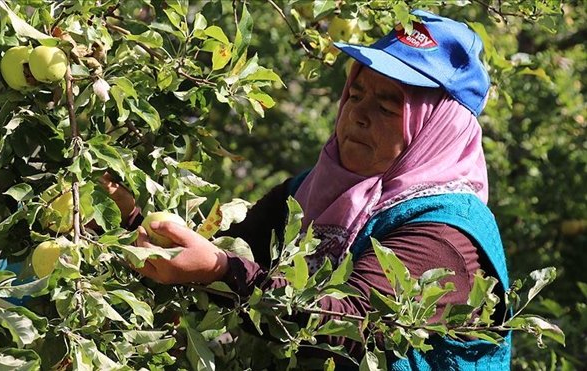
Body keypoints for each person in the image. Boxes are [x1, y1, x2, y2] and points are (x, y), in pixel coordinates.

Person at [105, 9, 511, 370]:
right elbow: (221, 256)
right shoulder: (309, 191)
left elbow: (351, 322)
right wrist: (133, 220)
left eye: (387, 107)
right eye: (355, 93)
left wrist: (219, 270)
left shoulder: (446, 233)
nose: (358, 114)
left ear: (437, 130)